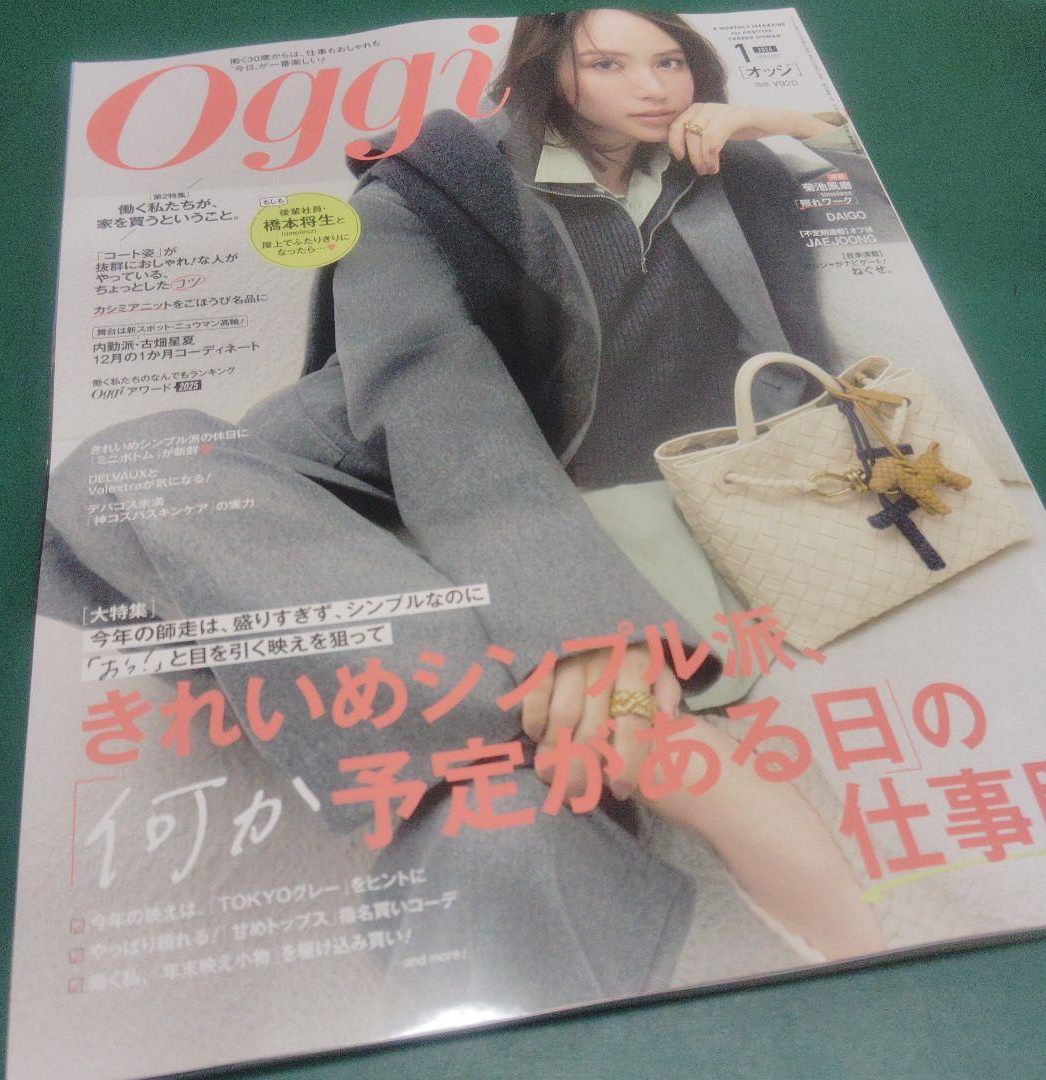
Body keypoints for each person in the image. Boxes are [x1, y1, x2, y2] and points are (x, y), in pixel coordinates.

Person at [43, 8, 884, 1021]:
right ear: (551, 70)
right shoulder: (430, 185)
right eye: (609, 61)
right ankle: (660, 748)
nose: (651, 85)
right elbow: (433, 390)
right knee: (131, 466)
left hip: (575, 529)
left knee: (503, 831)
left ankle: (557, 760)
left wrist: (789, 125)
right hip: (372, 501)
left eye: (669, 59)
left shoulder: (733, 170)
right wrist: (582, 627)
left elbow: (905, 216)